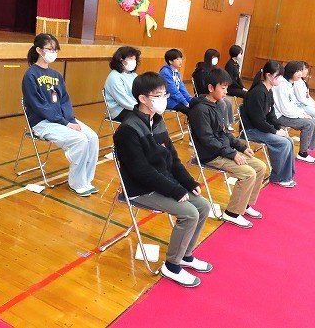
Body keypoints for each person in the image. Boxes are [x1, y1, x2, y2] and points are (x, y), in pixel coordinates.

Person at [114, 72, 212, 288]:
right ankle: (172, 266)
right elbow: (141, 171)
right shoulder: (127, 129)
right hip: (140, 188)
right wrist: (175, 190)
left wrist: (188, 182)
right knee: (189, 213)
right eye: (158, 95)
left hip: (161, 181)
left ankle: (185, 255)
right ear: (143, 98)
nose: (163, 99)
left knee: (203, 206)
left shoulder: (157, 121)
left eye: (164, 94)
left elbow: (173, 159)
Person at [22, 33, 99, 197]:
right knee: (80, 140)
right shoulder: (30, 75)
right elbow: (39, 106)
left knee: (92, 137)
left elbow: (65, 100)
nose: (53, 53)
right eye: (50, 49)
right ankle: (77, 183)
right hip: (43, 122)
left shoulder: (56, 75)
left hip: (62, 119)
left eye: (55, 50)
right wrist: (64, 123)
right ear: (39, 50)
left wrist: (70, 119)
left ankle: (86, 180)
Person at [188, 69, 266, 229]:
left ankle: (244, 204)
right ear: (211, 88)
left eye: (226, 88)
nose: (226, 91)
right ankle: (232, 213)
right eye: (222, 88)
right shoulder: (200, 110)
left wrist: (241, 148)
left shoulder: (216, 105)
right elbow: (207, 140)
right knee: (248, 173)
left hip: (222, 150)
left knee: (260, 166)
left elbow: (223, 133)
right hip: (210, 154)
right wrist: (232, 154)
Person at [241, 61, 296, 188]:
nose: (280, 79)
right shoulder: (258, 93)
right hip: (251, 130)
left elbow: (271, 115)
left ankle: (286, 175)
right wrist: (275, 132)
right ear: (269, 76)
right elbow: (258, 121)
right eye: (278, 76)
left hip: (260, 128)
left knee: (289, 140)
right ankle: (278, 177)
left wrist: (279, 128)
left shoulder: (268, 90)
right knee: (282, 143)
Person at [273, 61, 315, 164]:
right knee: (308, 124)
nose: (300, 73)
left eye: (300, 71)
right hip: (279, 116)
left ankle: (307, 148)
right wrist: (301, 115)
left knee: (313, 121)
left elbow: (293, 104)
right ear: (290, 71)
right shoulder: (282, 86)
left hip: (286, 113)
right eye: (297, 71)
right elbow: (285, 109)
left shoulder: (289, 84)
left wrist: (303, 114)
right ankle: (303, 153)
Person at [192, 49, 235, 131]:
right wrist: (211, 91)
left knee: (228, 102)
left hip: (214, 92)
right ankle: (223, 125)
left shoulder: (215, 70)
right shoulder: (201, 70)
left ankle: (228, 123)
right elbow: (201, 87)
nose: (216, 59)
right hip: (205, 93)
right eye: (214, 57)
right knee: (222, 103)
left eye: (217, 57)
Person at [104, 46, 140, 121]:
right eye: (131, 58)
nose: (134, 61)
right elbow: (123, 100)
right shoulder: (114, 77)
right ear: (121, 60)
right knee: (144, 118)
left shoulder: (133, 75)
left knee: (152, 115)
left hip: (133, 107)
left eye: (135, 59)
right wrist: (140, 108)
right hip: (119, 111)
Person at [159, 49, 193, 115]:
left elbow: (182, 88)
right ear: (170, 61)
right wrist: (185, 103)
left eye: (181, 58)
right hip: (167, 100)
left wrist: (191, 100)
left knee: (196, 106)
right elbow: (173, 91)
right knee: (190, 110)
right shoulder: (165, 72)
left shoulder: (177, 72)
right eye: (177, 59)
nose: (180, 61)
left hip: (175, 99)